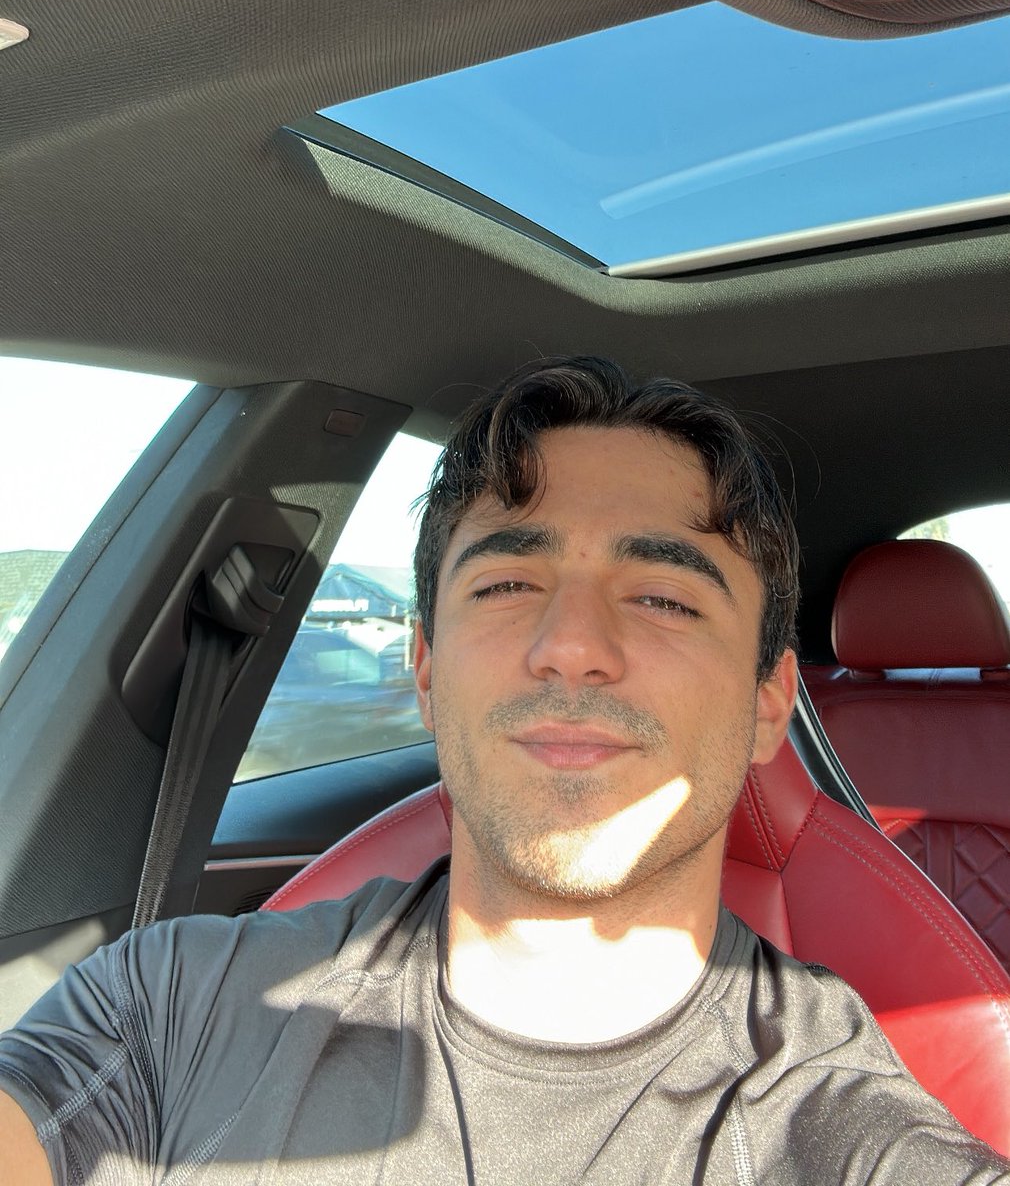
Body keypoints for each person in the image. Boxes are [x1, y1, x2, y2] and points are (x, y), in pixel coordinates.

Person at [0, 355, 1007, 1184]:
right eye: (508, 583)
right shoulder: (168, 1002)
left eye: (663, 597)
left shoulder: (838, 1129)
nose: (570, 646)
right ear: (425, 670)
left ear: (768, 702)